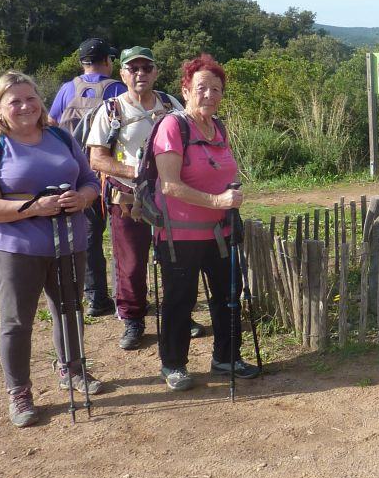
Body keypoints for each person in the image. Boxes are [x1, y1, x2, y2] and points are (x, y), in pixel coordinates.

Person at [0, 71, 106, 427]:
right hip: (15, 248)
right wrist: (33, 208)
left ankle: (71, 368)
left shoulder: (60, 136)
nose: (25, 106)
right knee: (16, 322)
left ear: (41, 101)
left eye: (30, 98)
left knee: (70, 310)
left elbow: (89, 180)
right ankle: (20, 391)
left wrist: (82, 198)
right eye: (15, 101)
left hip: (69, 242)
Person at [151, 54, 259, 390]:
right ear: (185, 90)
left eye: (216, 89)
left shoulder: (219, 128)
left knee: (228, 296)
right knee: (180, 299)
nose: (209, 94)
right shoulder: (173, 126)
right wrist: (217, 201)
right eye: (202, 88)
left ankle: (226, 357)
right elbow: (169, 184)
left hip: (220, 232)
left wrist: (230, 197)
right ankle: (173, 364)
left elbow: (221, 171)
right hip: (178, 236)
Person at [86, 47, 183, 350]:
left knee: (175, 258)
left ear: (155, 72)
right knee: (130, 263)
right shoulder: (112, 109)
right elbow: (97, 160)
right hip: (127, 198)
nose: (140, 74)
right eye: (133, 69)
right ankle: (133, 318)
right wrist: (137, 170)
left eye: (146, 68)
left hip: (170, 195)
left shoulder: (171, 104)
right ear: (123, 74)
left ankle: (177, 315)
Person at [48, 38, 126, 317]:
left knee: (90, 236)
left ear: (82, 62)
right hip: (110, 174)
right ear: (107, 61)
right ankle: (124, 299)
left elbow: (52, 124)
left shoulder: (67, 89)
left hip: (75, 173)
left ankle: (96, 298)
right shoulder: (117, 88)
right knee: (121, 236)